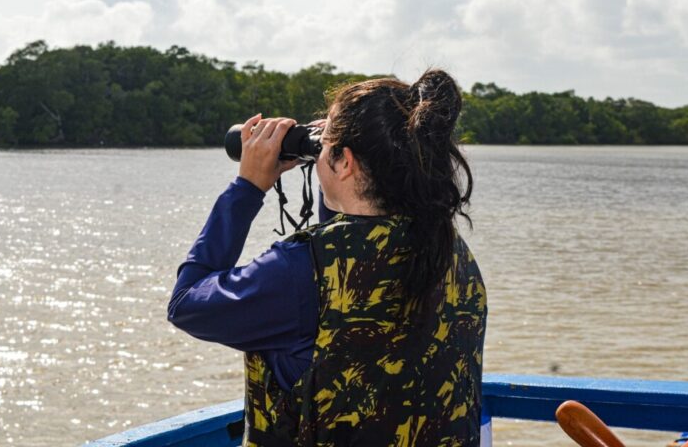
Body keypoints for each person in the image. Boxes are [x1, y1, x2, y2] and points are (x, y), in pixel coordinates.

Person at [167, 69, 487, 446]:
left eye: (325, 141)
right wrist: (331, 162)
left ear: (345, 162)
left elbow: (186, 303)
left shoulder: (300, 270)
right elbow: (350, 250)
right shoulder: (451, 251)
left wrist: (247, 188)